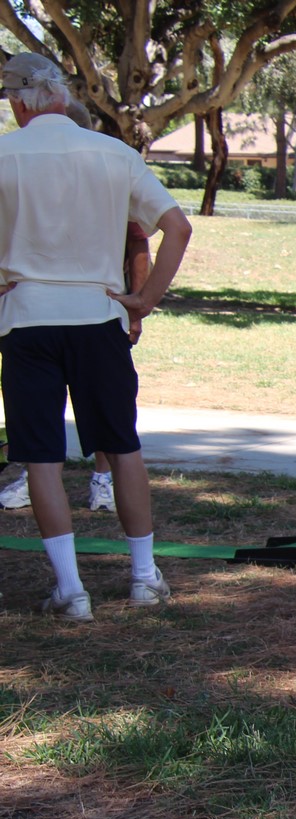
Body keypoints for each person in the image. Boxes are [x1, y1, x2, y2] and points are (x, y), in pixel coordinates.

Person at [0, 53, 192, 621]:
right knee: (123, 446)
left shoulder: (4, 155)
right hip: (98, 315)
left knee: (40, 457)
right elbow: (177, 228)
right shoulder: (115, 153)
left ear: (17, 102)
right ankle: (142, 577)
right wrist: (145, 298)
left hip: (26, 317)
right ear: (62, 94)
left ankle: (71, 589)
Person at [0, 98, 150, 515]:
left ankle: (99, 480)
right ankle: (37, 478)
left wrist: (138, 304)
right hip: (40, 311)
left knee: (110, 424)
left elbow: (139, 240)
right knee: (44, 427)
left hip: (97, 307)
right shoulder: (22, 164)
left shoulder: (107, 167)